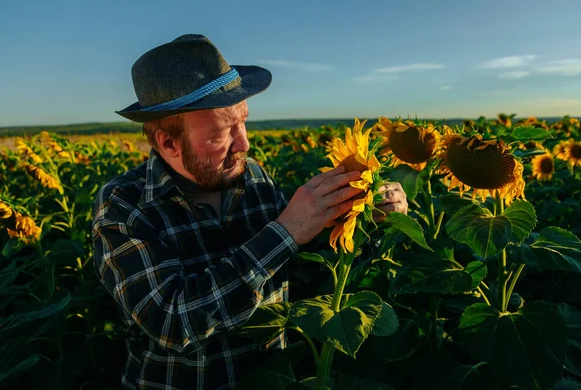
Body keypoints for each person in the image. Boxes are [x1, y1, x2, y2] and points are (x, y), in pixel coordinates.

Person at [91, 34, 408, 390]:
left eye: (243, 122)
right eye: (222, 133)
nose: (244, 143)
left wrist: (359, 219)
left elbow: (298, 274)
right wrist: (286, 231)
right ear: (168, 142)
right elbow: (172, 321)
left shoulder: (252, 176)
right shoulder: (125, 205)